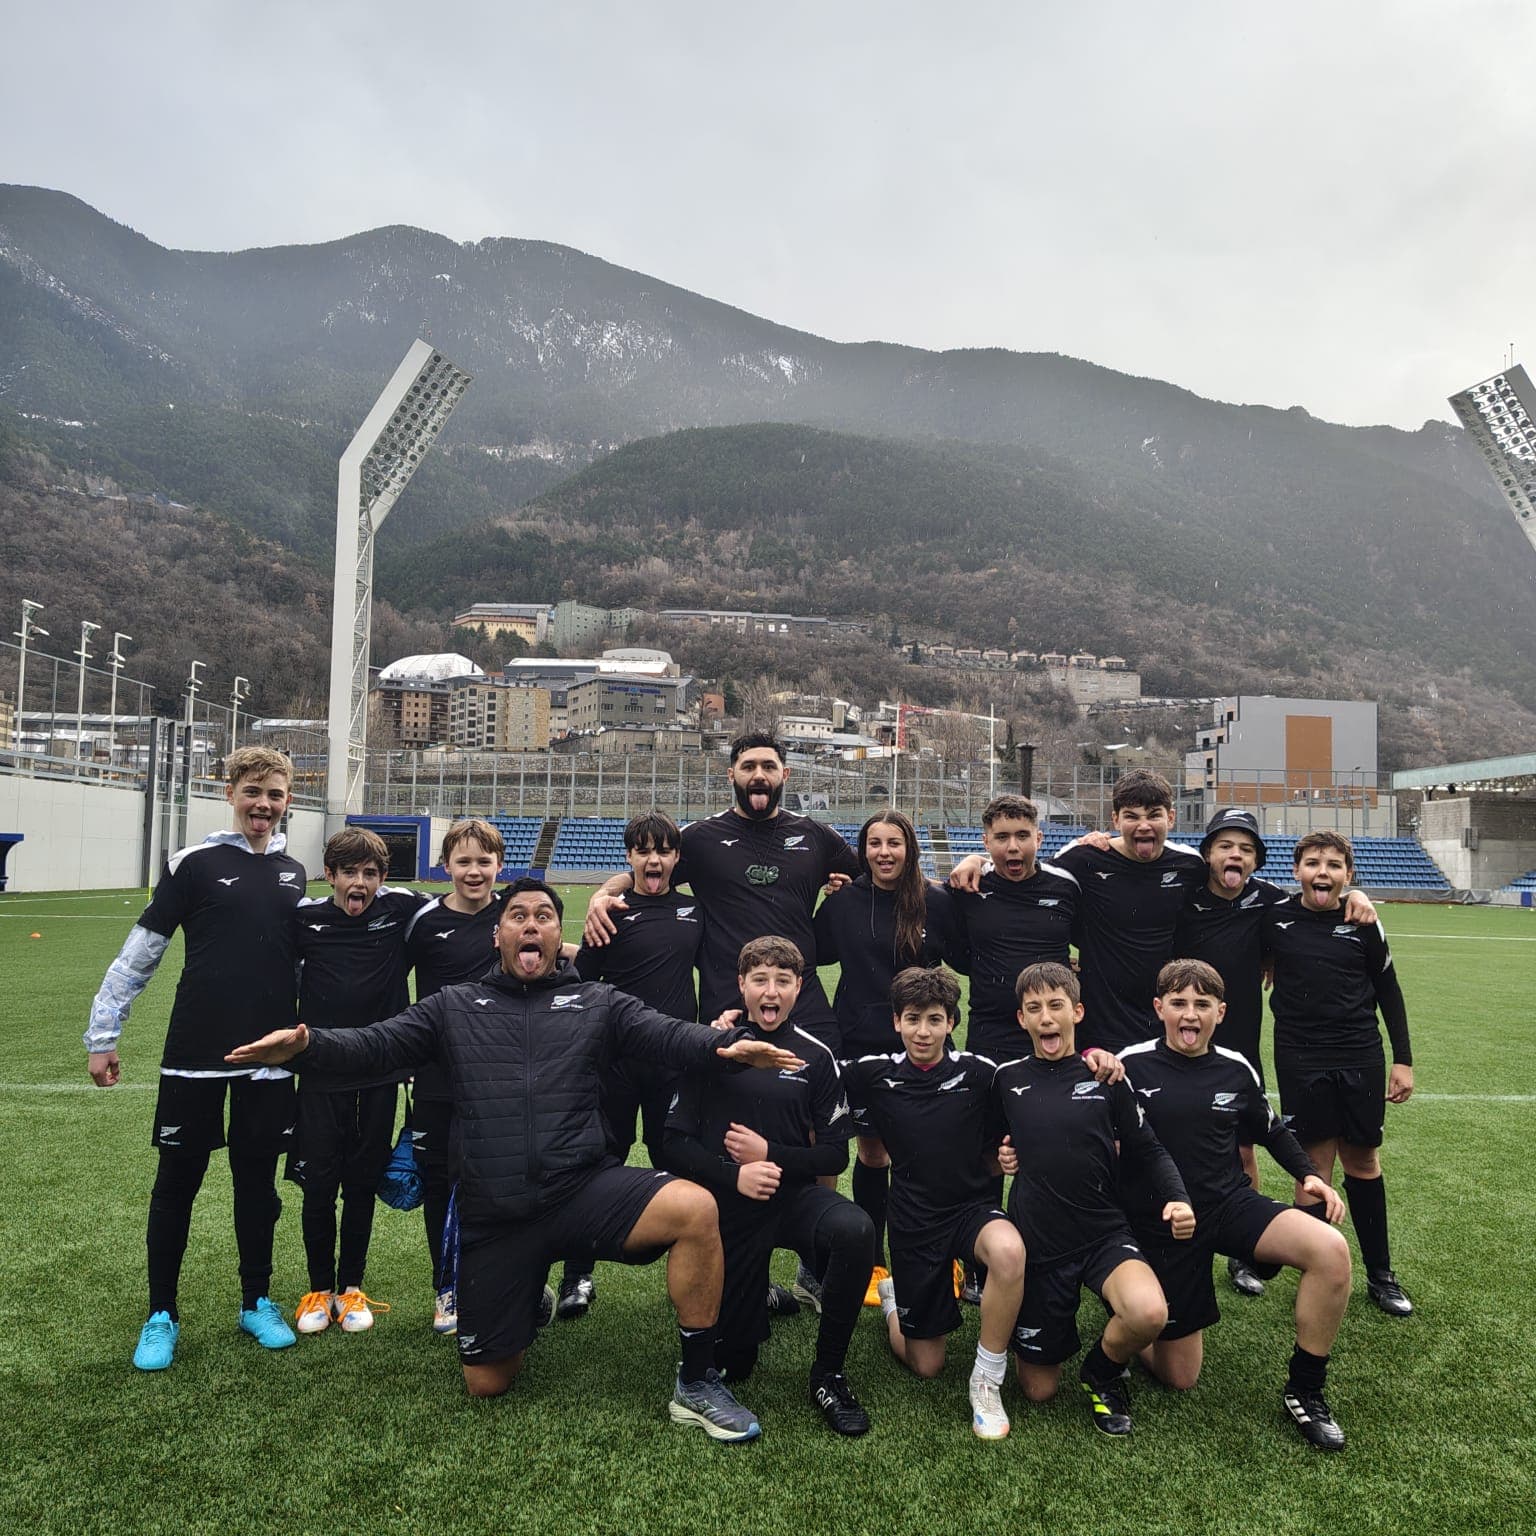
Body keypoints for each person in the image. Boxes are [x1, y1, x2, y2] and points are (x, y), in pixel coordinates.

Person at [227, 878, 801, 1442]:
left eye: (544, 916)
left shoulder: (597, 1002)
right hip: (496, 1213)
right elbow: (377, 1043)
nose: (532, 924)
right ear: (497, 935)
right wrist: (308, 1047)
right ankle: (527, 1294)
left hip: (582, 1190)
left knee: (696, 1208)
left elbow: (668, 1035)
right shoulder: (453, 1006)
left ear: (559, 935)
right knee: (487, 1382)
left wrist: (725, 1049)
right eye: (519, 916)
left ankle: (697, 1381)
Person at [585, 731, 858, 1310]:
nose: (759, 774)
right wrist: (601, 893)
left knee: (817, 1126)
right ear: (730, 772)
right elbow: (646, 862)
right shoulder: (702, 840)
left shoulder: (815, 837)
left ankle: (816, 1263)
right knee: (727, 1135)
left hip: (803, 1000)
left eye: (769, 766)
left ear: (786, 773)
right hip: (726, 1007)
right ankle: (737, 1265)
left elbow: (875, 872)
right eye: (748, 765)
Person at [86, 746, 307, 1371]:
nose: (263, 805)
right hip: (195, 1053)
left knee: (257, 1186)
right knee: (176, 1185)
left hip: (270, 1058)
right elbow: (140, 955)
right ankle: (161, 1314)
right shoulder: (192, 863)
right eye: (253, 791)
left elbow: (301, 965)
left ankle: (256, 1300)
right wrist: (103, 1035)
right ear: (231, 792)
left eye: (276, 794)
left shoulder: (294, 872)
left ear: (288, 799)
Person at [1118, 960, 1354, 1451]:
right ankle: (1136, 1315)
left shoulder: (1236, 1066)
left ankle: (1305, 1391)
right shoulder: (1131, 1065)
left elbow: (1270, 1130)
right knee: (1180, 1376)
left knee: (1330, 1250)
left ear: (1220, 1012)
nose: (1190, 1014)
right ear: (1159, 1008)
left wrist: (1310, 1176)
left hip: (1228, 1203)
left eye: (1202, 1005)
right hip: (1164, 1223)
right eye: (1179, 1003)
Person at [662, 937, 876, 1436]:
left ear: (799, 988)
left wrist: (770, 1156)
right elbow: (673, 1143)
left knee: (855, 1230)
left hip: (792, 1198)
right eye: (760, 979)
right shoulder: (714, 1047)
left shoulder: (816, 1057)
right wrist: (733, 1173)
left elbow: (834, 1154)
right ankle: (752, 1299)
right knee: (736, 1362)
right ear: (741, 985)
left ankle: (828, 1374)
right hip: (728, 1209)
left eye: (783, 980)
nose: (771, 990)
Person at [1170, 807, 1374, 1299]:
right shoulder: (1184, 895)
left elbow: (1313, 911)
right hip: (1179, 1034)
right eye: (1225, 845)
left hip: (1238, 1045)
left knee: (1242, 1147)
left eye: (1245, 848)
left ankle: (1245, 1253)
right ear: (1208, 854)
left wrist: (1359, 896)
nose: (1234, 855)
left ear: (1258, 860)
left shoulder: (1269, 901)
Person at [993, 962, 1194, 1437]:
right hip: (1038, 1243)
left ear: (1077, 1012)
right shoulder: (1004, 1079)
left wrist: (1179, 1199)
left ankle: (1102, 1370)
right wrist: (1003, 1157)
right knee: (1038, 1391)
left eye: (1056, 1006)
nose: (1046, 1018)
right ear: (1021, 1019)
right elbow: (988, 1146)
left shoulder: (1105, 1075)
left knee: (1149, 1313)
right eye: (1034, 1009)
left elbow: (1148, 1147)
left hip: (1103, 1232)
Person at [840, 967, 1023, 1440]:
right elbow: (810, 1071)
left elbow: (1038, 1091)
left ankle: (986, 1380)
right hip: (915, 1220)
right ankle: (892, 1300)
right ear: (896, 1021)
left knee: (1009, 1251)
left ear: (952, 1022)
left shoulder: (982, 1075)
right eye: (914, 1019)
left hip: (970, 1211)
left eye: (936, 1019)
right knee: (926, 1364)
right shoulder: (871, 1073)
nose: (924, 1031)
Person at [1265, 831, 1415, 1317]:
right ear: (1296, 871)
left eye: (1333, 865)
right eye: (1312, 863)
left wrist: (1403, 1059)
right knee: (1312, 1168)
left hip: (1359, 1055)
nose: (1322, 872)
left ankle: (1381, 1274)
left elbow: (1389, 991)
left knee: (1364, 1161)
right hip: (1299, 1057)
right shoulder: (1277, 917)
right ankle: (1316, 1267)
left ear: (1349, 875)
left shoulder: (1363, 922)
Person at [812, 809, 958, 1301]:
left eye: (894, 843)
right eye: (874, 843)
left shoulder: (936, 901)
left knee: (929, 1149)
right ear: (862, 850)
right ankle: (873, 1262)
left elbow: (965, 956)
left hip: (925, 1042)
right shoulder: (843, 903)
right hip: (860, 1042)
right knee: (873, 1152)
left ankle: (940, 1255)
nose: (884, 853)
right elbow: (815, 954)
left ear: (910, 848)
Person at [951, 770, 1206, 1052]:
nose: (1143, 825)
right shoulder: (1083, 859)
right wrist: (977, 860)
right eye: (1132, 816)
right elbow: (1028, 868)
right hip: (1099, 1021)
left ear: (1170, 818)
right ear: (1116, 819)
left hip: (1164, 1013)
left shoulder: (1190, 865)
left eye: (1154, 815)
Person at [562, 809, 703, 1318]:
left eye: (663, 850)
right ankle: (577, 1275)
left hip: (674, 1063)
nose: (653, 859)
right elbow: (583, 984)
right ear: (629, 857)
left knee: (681, 1164)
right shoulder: (610, 914)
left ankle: (693, 1275)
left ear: (676, 858)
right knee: (599, 1161)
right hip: (616, 1062)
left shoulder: (695, 912)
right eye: (643, 850)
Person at [288, 827, 427, 1336]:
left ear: (383, 879)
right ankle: (318, 1290)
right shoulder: (304, 919)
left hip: (381, 1072)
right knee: (319, 1184)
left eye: (370, 874)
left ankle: (351, 1289)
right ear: (331, 875)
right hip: (322, 1071)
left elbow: (470, 902)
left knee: (363, 1181)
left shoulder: (402, 910)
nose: (359, 883)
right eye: (349, 872)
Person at [403, 818, 507, 1336]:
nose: (474, 871)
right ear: (445, 866)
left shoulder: (513, 916)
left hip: (499, 1075)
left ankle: (504, 1281)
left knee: (499, 1179)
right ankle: (446, 1286)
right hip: (438, 1076)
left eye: (483, 861)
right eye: (463, 862)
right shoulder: (423, 923)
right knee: (441, 1182)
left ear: (499, 866)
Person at [945, 794, 1077, 1063]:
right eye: (1002, 837)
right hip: (991, 1032)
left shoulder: (1066, 886)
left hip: (1053, 1027)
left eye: (1022, 836)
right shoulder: (968, 888)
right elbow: (920, 890)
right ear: (986, 842)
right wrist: (975, 860)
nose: (1013, 847)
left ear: (1038, 838)